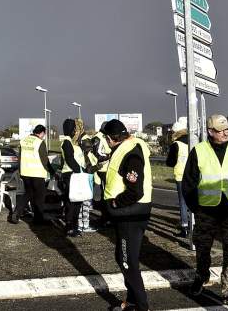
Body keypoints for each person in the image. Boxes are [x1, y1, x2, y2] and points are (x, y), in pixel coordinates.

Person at [182, 114, 228, 309]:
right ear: (210, 132)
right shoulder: (199, 151)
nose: (225, 133)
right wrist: (195, 208)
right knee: (203, 248)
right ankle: (201, 276)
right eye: (220, 130)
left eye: (227, 130)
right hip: (206, 211)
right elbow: (188, 183)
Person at [101, 119, 152, 311]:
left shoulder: (131, 153)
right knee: (122, 257)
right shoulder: (126, 148)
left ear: (109, 138)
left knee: (128, 262)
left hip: (131, 214)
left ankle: (141, 305)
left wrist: (115, 202)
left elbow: (135, 191)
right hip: (129, 214)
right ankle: (132, 301)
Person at [9, 124, 52, 225]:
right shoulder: (40, 142)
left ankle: (16, 213)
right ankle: (39, 219)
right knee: (39, 197)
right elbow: (44, 160)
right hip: (37, 173)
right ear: (42, 133)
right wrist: (52, 171)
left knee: (28, 194)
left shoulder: (24, 141)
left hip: (25, 172)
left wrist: (20, 170)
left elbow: (19, 157)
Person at [164, 119, 191, 238]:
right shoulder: (193, 142)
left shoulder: (176, 145)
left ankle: (184, 227)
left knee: (183, 202)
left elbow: (170, 162)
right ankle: (193, 225)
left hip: (180, 176)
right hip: (192, 176)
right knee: (193, 202)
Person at [60, 118, 86, 236]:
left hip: (75, 175)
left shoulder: (70, 142)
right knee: (71, 203)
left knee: (77, 202)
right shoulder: (66, 142)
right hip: (71, 175)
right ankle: (69, 226)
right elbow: (70, 159)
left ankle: (74, 226)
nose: (75, 131)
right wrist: (79, 170)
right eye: (74, 129)